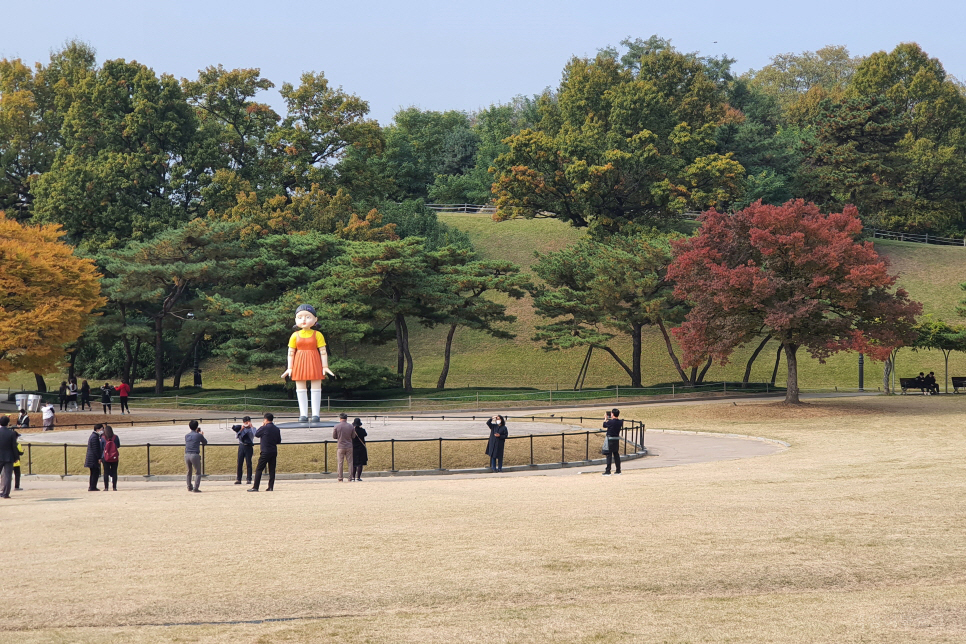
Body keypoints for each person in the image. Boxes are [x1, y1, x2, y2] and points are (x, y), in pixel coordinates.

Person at [280, 304, 335, 422]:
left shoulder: (318, 335)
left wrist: (325, 366)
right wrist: (290, 367)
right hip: (299, 362)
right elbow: (290, 352)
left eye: (307, 317)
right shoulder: (294, 335)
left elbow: (323, 351)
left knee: (316, 387)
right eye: (300, 317)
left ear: (315, 319)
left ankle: (316, 414)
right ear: (295, 320)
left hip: (314, 361)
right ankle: (303, 414)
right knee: (300, 387)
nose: (303, 320)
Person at [249, 413, 281, 492]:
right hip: (273, 450)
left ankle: (255, 487)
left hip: (265, 451)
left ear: (266, 419)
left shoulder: (264, 428)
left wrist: (262, 425)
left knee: (259, 469)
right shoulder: (276, 429)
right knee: (272, 469)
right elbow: (278, 441)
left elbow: (256, 434)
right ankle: (270, 487)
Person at [184, 420, 207, 493]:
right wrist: (201, 435)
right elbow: (205, 442)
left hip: (187, 454)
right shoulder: (198, 435)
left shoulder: (187, 435)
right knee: (197, 472)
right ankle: (196, 488)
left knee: (189, 472)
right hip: (195, 454)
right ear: (197, 427)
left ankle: (189, 486)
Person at [332, 413, 355, 482]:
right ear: (346, 418)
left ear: (340, 418)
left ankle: (340, 477)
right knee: (350, 462)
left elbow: (334, 436)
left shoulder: (336, 426)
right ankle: (350, 477)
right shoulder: (351, 426)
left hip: (340, 446)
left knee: (340, 462)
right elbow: (353, 436)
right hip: (349, 446)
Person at [232, 416, 255, 485]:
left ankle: (249, 479)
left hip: (249, 446)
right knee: (239, 463)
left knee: (249, 463)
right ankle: (239, 479)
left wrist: (251, 427)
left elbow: (254, 434)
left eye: (248, 422)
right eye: (245, 422)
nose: (246, 424)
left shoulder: (252, 429)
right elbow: (236, 436)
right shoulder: (240, 428)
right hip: (241, 446)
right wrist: (241, 430)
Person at [0, 416, 18, 499]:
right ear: (8, 423)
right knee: (8, 476)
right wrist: (16, 457)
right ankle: (6, 493)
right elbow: (14, 446)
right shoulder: (11, 433)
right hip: (8, 456)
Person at [602, 408, 623, 476]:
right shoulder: (620, 422)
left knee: (609, 455)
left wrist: (605, 418)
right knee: (616, 454)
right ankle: (618, 470)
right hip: (616, 439)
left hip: (610, 439)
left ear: (613, 414)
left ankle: (608, 470)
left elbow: (604, 425)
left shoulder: (611, 422)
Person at [84, 424, 104, 491]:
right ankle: (92, 487)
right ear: (97, 429)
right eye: (101, 429)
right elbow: (96, 449)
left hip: (91, 458)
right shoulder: (95, 437)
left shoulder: (94, 436)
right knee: (95, 473)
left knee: (93, 473)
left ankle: (92, 486)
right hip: (93, 458)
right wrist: (99, 458)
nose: (102, 431)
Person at [101, 425, 120, 491]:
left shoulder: (103, 438)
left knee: (106, 472)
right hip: (114, 456)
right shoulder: (115, 437)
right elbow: (118, 446)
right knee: (114, 472)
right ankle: (114, 487)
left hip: (105, 457)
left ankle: (106, 487)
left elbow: (101, 447)